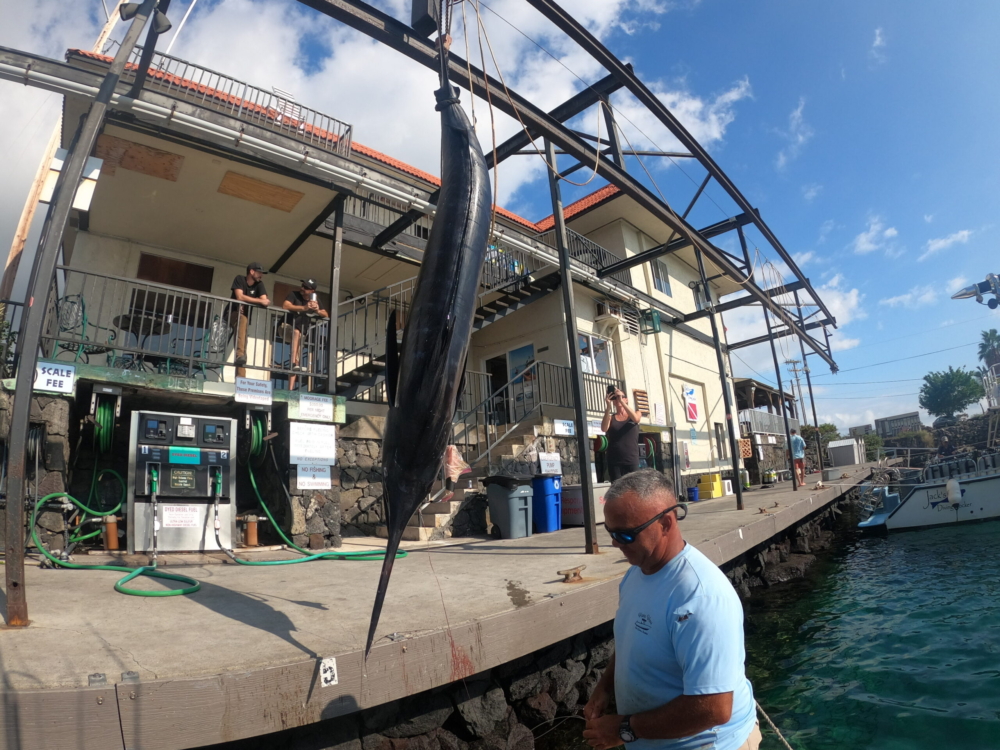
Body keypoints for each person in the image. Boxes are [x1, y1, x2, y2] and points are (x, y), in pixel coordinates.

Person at [584, 470, 760, 750]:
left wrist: (624, 729)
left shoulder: (700, 597)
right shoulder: (636, 573)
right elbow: (633, 642)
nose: (615, 543)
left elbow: (714, 709)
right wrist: (604, 687)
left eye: (625, 534)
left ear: (666, 523)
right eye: (610, 532)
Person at [282, 278, 329, 390]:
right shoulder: (294, 294)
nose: (302, 288)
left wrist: (317, 310)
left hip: (301, 333)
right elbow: (285, 305)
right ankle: (293, 362)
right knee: (296, 332)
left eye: (306, 287)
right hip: (286, 327)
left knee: (296, 362)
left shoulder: (315, 299)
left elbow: (326, 314)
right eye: (302, 285)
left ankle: (290, 389)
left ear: (312, 291)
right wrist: (304, 308)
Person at [230, 262, 270, 378]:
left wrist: (259, 300)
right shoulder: (240, 279)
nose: (261, 275)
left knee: (243, 345)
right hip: (232, 313)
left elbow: (265, 301)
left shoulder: (259, 284)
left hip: (244, 318)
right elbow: (239, 297)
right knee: (241, 349)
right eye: (259, 272)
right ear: (251, 271)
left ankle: (241, 378)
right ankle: (240, 356)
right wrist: (259, 300)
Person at [602, 386, 644, 481]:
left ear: (626, 399)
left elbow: (636, 419)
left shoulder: (636, 413)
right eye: (615, 397)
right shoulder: (611, 418)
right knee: (617, 488)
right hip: (615, 461)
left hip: (631, 460)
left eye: (620, 396)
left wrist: (621, 401)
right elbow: (604, 428)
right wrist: (608, 407)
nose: (618, 399)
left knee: (633, 487)